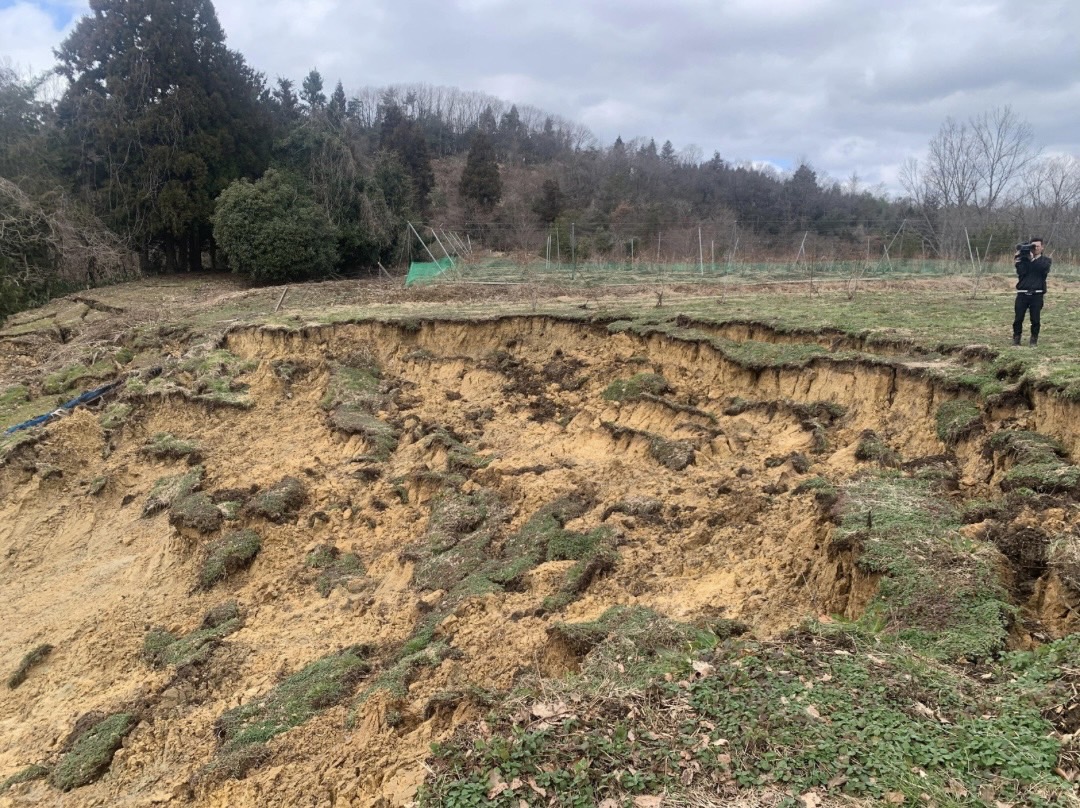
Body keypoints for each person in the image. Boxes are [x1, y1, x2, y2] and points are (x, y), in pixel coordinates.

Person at [1013, 237, 1051, 346]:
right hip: (1022, 293)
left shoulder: (1046, 260)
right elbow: (1021, 272)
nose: (1035, 249)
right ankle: (1016, 338)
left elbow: (1043, 270)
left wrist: (1033, 260)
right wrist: (1019, 260)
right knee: (1018, 318)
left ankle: (1033, 339)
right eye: (1033, 247)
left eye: (1037, 246)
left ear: (1042, 247)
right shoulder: (1024, 260)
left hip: (1037, 294)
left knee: (1035, 319)